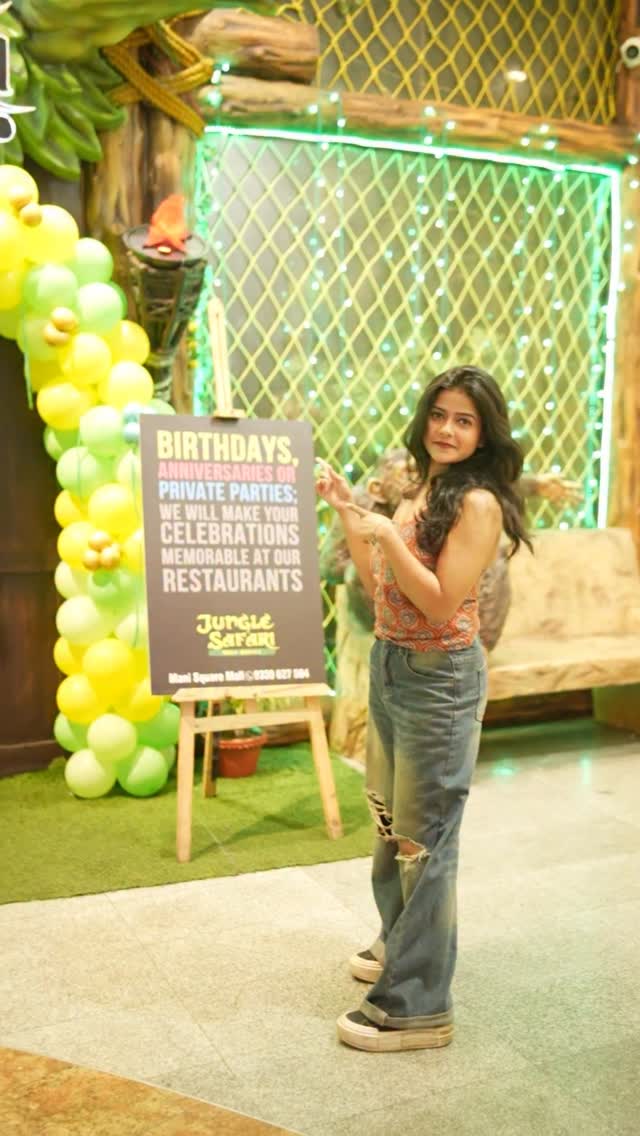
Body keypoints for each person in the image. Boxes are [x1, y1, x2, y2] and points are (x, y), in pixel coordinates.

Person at [316, 365, 531, 1052]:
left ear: (484, 434)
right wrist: (348, 512)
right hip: (394, 666)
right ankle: (399, 941)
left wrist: (385, 534)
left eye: (464, 420)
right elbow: (380, 581)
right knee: (391, 823)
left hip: (440, 681)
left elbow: (438, 602)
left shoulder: (479, 504)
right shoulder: (424, 488)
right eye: (439, 414)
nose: (446, 429)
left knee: (425, 841)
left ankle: (417, 1006)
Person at [320, 447, 581, 652]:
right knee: (358, 572)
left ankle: (480, 641)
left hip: (446, 619)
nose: (421, 481)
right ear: (377, 489)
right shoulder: (362, 502)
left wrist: (535, 485)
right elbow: (330, 567)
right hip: (388, 614)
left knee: (489, 557)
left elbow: (478, 486)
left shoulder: (442, 497)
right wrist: (387, 555)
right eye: (410, 472)